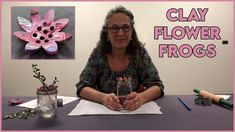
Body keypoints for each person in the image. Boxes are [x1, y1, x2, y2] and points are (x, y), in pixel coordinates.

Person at [76, 5, 164, 111]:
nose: (120, 33)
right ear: (107, 33)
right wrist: (103, 98)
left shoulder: (139, 53)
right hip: (104, 116)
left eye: (126, 27)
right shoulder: (98, 54)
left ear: (132, 31)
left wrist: (141, 98)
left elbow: (157, 86)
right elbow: (82, 87)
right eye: (114, 28)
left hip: (134, 114)